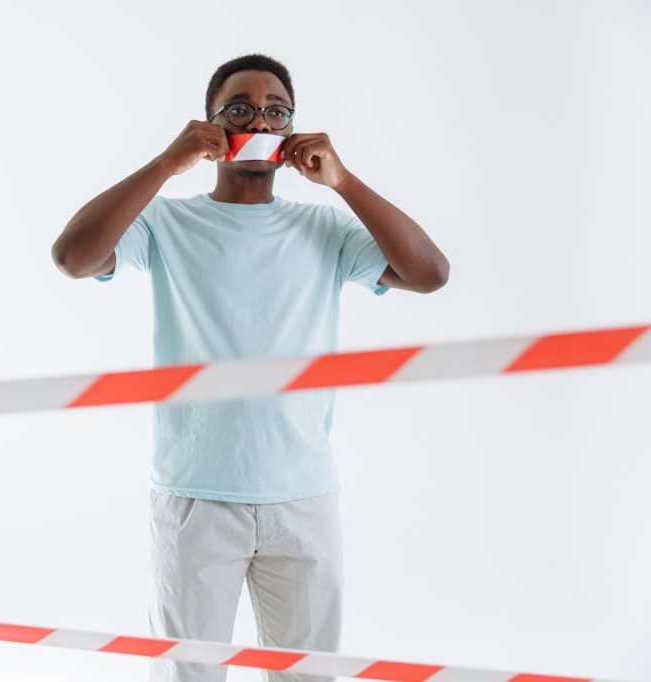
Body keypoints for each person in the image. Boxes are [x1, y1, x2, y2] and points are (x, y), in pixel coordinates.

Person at [50, 53, 449, 682]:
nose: (257, 117)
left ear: (291, 132)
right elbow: (74, 257)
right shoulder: (166, 223)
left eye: (275, 110)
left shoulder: (325, 228)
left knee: (309, 674)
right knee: (191, 675)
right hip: (195, 497)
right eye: (239, 107)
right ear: (211, 125)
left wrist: (343, 181)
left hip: (304, 498)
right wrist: (165, 164)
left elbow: (431, 274)